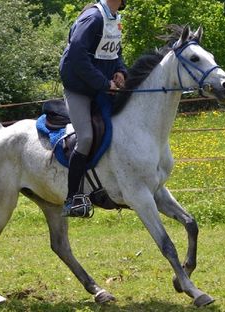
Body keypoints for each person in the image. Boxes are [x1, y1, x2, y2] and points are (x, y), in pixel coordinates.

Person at [59, 0, 128, 217]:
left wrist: (120, 71)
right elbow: (77, 58)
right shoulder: (93, 18)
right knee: (86, 138)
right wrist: (104, 82)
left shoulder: (115, 19)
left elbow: (115, 53)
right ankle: (73, 199)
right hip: (79, 88)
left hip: (100, 87)